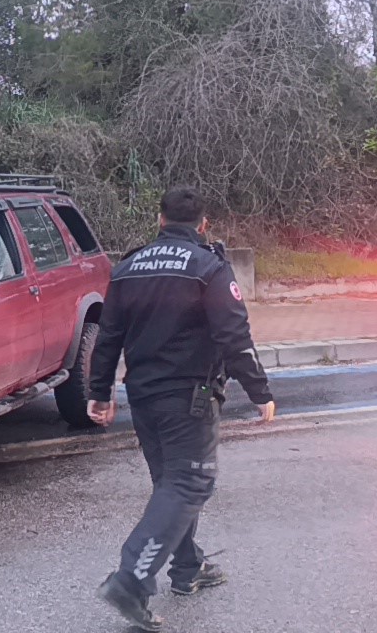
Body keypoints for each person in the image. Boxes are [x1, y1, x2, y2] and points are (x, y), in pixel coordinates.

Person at [86, 186, 276, 632]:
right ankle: (131, 581)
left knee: (169, 483)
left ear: (159, 219)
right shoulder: (208, 268)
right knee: (189, 483)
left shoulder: (128, 267)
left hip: (144, 397)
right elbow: (235, 337)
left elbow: (107, 336)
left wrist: (98, 392)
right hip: (188, 397)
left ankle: (188, 568)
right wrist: (260, 391)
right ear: (203, 224)